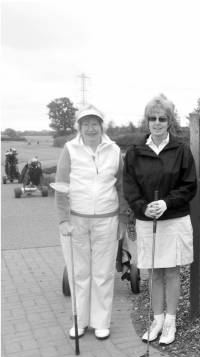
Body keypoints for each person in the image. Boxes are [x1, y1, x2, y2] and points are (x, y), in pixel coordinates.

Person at [123, 94, 197, 346]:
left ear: (169, 121)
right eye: (152, 118)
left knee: (172, 272)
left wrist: (166, 202)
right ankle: (156, 319)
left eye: (162, 118)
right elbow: (130, 188)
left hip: (174, 218)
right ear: (147, 121)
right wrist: (144, 207)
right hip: (148, 220)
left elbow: (189, 186)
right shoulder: (134, 152)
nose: (156, 122)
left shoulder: (181, 150)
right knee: (154, 272)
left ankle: (170, 321)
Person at [55, 104, 128, 340]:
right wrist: (63, 219)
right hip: (76, 220)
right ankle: (80, 321)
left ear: (101, 125)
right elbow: (61, 187)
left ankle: (101, 322)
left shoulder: (114, 150)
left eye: (94, 123)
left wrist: (123, 218)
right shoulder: (70, 149)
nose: (90, 127)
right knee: (79, 273)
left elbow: (122, 187)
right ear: (79, 127)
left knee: (104, 273)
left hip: (107, 219)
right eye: (85, 123)